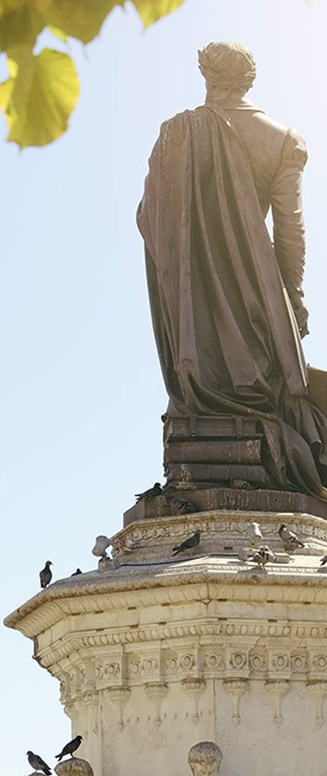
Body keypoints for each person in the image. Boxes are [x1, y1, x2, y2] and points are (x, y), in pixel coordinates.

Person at [138, 41, 327, 498]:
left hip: (192, 303)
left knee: (207, 385)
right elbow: (290, 235)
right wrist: (293, 305)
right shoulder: (282, 140)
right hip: (259, 296)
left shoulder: (175, 135)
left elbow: (149, 219)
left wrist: (193, 269)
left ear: (206, 75)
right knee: (278, 389)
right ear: (249, 79)